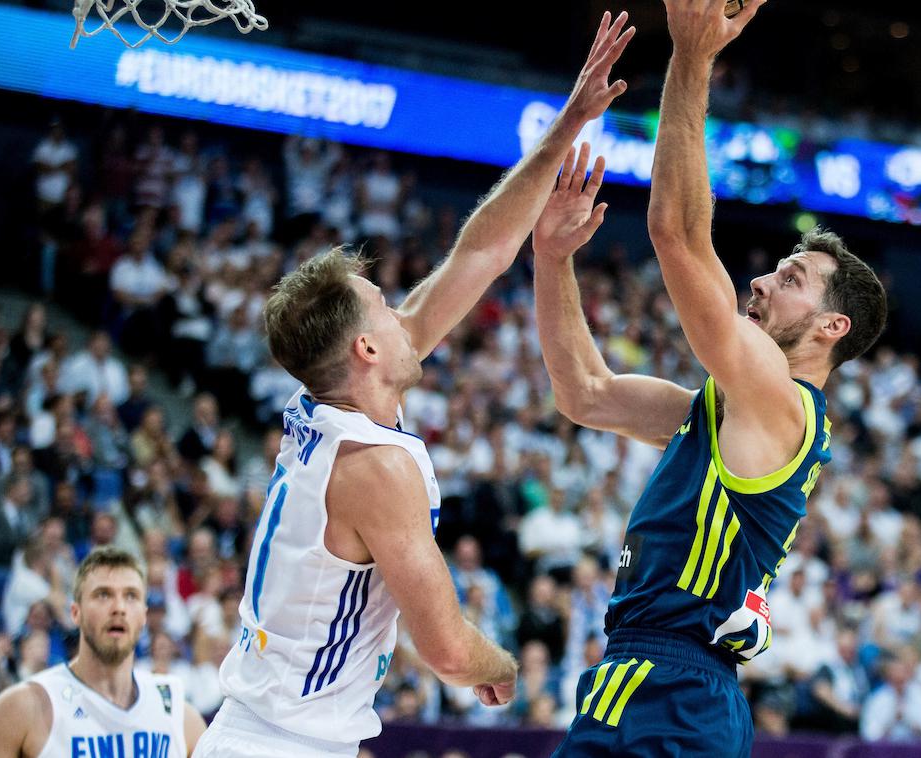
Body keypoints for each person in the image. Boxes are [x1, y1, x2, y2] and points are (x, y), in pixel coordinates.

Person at [195, 13, 635, 758]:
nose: (405, 314)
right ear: (367, 348)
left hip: (272, 735)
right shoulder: (375, 467)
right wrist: (503, 670)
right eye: (384, 308)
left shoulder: (331, 400)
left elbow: (483, 250)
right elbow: (451, 653)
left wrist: (568, 125)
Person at [531, 3, 887, 754]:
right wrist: (553, 261)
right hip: (632, 681)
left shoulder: (781, 401)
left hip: (681, 695)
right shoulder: (720, 411)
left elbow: (679, 236)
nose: (759, 281)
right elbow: (584, 393)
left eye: (788, 278)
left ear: (831, 328)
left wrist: (692, 56)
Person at [0, 547, 206, 757]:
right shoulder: (23, 708)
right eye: (103, 595)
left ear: (144, 615)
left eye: (131, 596)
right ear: (75, 613)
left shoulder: (179, 716)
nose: (119, 608)